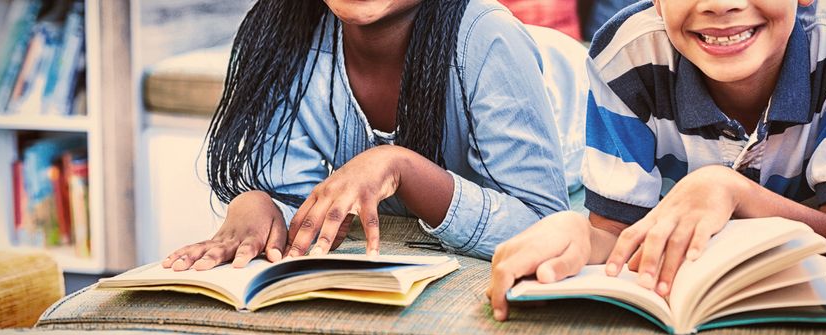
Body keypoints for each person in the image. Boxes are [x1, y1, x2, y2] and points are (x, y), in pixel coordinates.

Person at [488, 0, 826, 321]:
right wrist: (576, 232)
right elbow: (616, 232)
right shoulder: (624, 57)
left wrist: (731, 190)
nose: (720, 4)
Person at [162, 0, 588, 271]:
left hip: (599, 175)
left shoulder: (488, 36)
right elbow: (303, 207)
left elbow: (544, 225)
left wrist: (399, 166)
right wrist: (257, 204)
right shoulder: (286, 37)